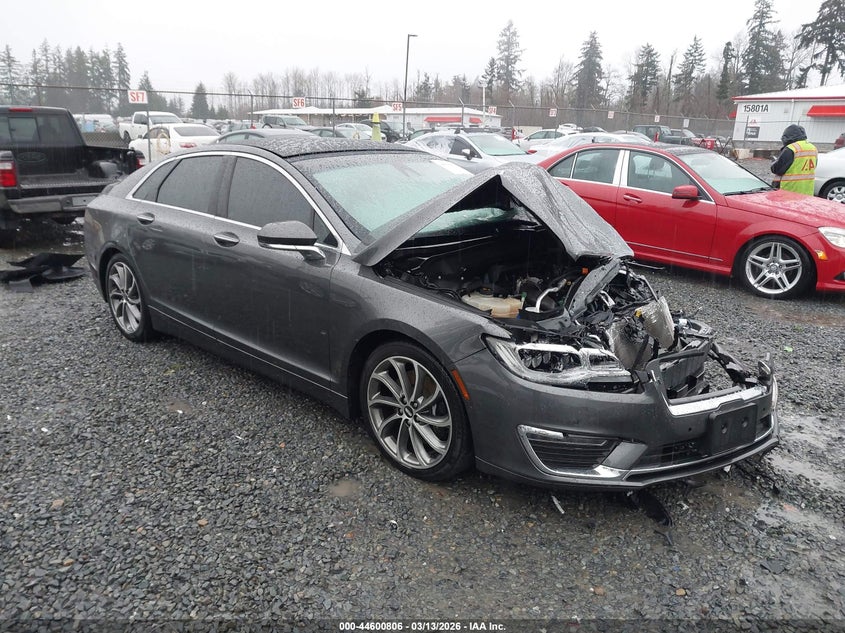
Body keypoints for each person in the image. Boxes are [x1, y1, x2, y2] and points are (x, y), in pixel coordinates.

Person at [770, 124, 817, 194]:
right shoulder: (813, 148)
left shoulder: (791, 148)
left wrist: (774, 162)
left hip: (790, 191)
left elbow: (777, 169)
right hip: (807, 192)